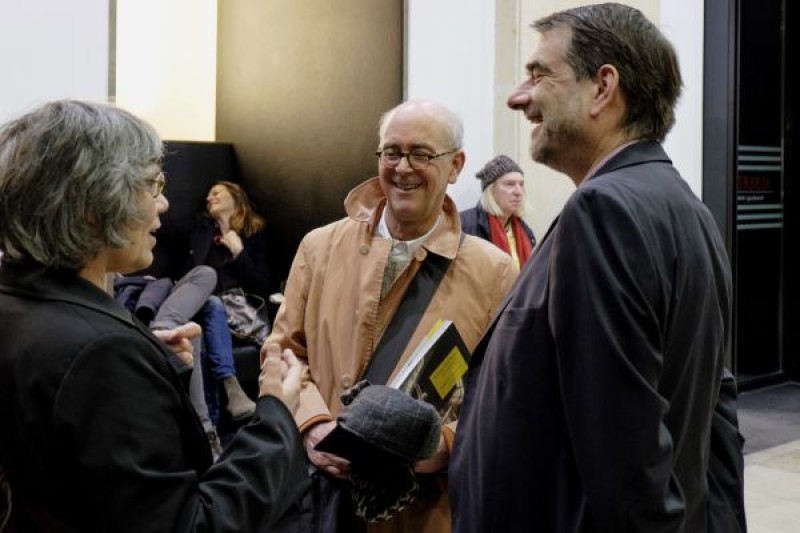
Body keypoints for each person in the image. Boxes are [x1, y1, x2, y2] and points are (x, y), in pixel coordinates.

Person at [449, 4, 735, 533]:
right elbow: (716, 422)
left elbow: (626, 460)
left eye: (539, 74)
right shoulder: (687, 208)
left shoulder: (602, 212)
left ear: (603, 87)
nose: (519, 97)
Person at [0, 99, 310, 531]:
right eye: (152, 185)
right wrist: (276, 413)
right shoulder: (102, 356)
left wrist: (144, 365)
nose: (163, 204)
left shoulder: (17, 303)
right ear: (95, 201)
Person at [266, 98, 518, 533]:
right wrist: (311, 424)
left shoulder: (494, 272)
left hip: (421, 510)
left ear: (455, 165)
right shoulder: (319, 247)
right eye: (391, 152)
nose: (403, 168)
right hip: (320, 498)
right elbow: (283, 353)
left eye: (421, 154)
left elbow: (506, 394)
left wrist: (441, 445)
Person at [185, 180, 275, 425]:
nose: (208, 198)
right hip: (204, 310)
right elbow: (196, 274)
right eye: (207, 195)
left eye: (215, 192)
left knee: (204, 340)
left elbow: (262, 285)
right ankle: (230, 390)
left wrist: (238, 251)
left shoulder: (255, 233)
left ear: (235, 197)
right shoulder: (201, 232)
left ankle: (209, 426)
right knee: (211, 307)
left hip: (241, 318)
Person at [459, 154, 536, 269]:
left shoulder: (525, 231)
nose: (518, 191)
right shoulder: (463, 225)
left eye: (521, 184)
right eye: (510, 184)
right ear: (491, 190)